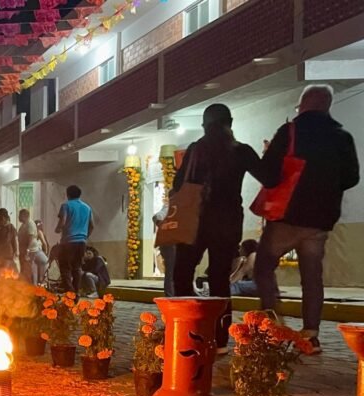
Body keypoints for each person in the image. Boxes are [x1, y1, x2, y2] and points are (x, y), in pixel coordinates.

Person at [255, 85, 360, 354]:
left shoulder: (289, 132)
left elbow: (269, 173)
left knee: (264, 265)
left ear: (302, 105)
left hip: (288, 215)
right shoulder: (342, 136)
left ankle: (273, 325)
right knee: (312, 276)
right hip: (320, 220)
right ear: (327, 106)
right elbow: (351, 177)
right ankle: (311, 335)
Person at [171, 103, 269, 354]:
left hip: (195, 220)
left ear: (205, 126)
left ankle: (188, 328)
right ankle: (221, 338)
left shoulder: (194, 151)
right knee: (219, 279)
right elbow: (268, 177)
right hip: (227, 222)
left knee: (182, 273)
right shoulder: (241, 151)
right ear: (231, 123)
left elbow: (178, 184)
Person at [55, 185, 93, 294]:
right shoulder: (87, 207)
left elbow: (63, 221)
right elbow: (92, 225)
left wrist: (58, 229)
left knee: (65, 267)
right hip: (81, 242)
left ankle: (69, 292)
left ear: (68, 194)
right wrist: (85, 236)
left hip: (68, 242)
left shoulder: (66, 205)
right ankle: (76, 293)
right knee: (77, 268)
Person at [152, 203, 176, 297]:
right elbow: (157, 217)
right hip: (170, 244)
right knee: (171, 271)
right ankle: (170, 296)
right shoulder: (170, 206)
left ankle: (174, 295)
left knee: (174, 271)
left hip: (174, 243)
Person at [18, 209, 46, 284]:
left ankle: (33, 290)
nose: (18, 217)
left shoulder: (30, 223)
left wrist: (27, 250)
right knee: (27, 271)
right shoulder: (24, 224)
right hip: (25, 251)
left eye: (20, 215)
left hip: (30, 252)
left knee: (31, 272)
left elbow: (31, 238)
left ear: (24, 215)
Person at [0, 208, 18, 274]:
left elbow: (11, 241)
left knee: (3, 277)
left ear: (3, 218)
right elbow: (15, 241)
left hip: (4, 257)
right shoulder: (9, 227)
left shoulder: (7, 229)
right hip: (6, 257)